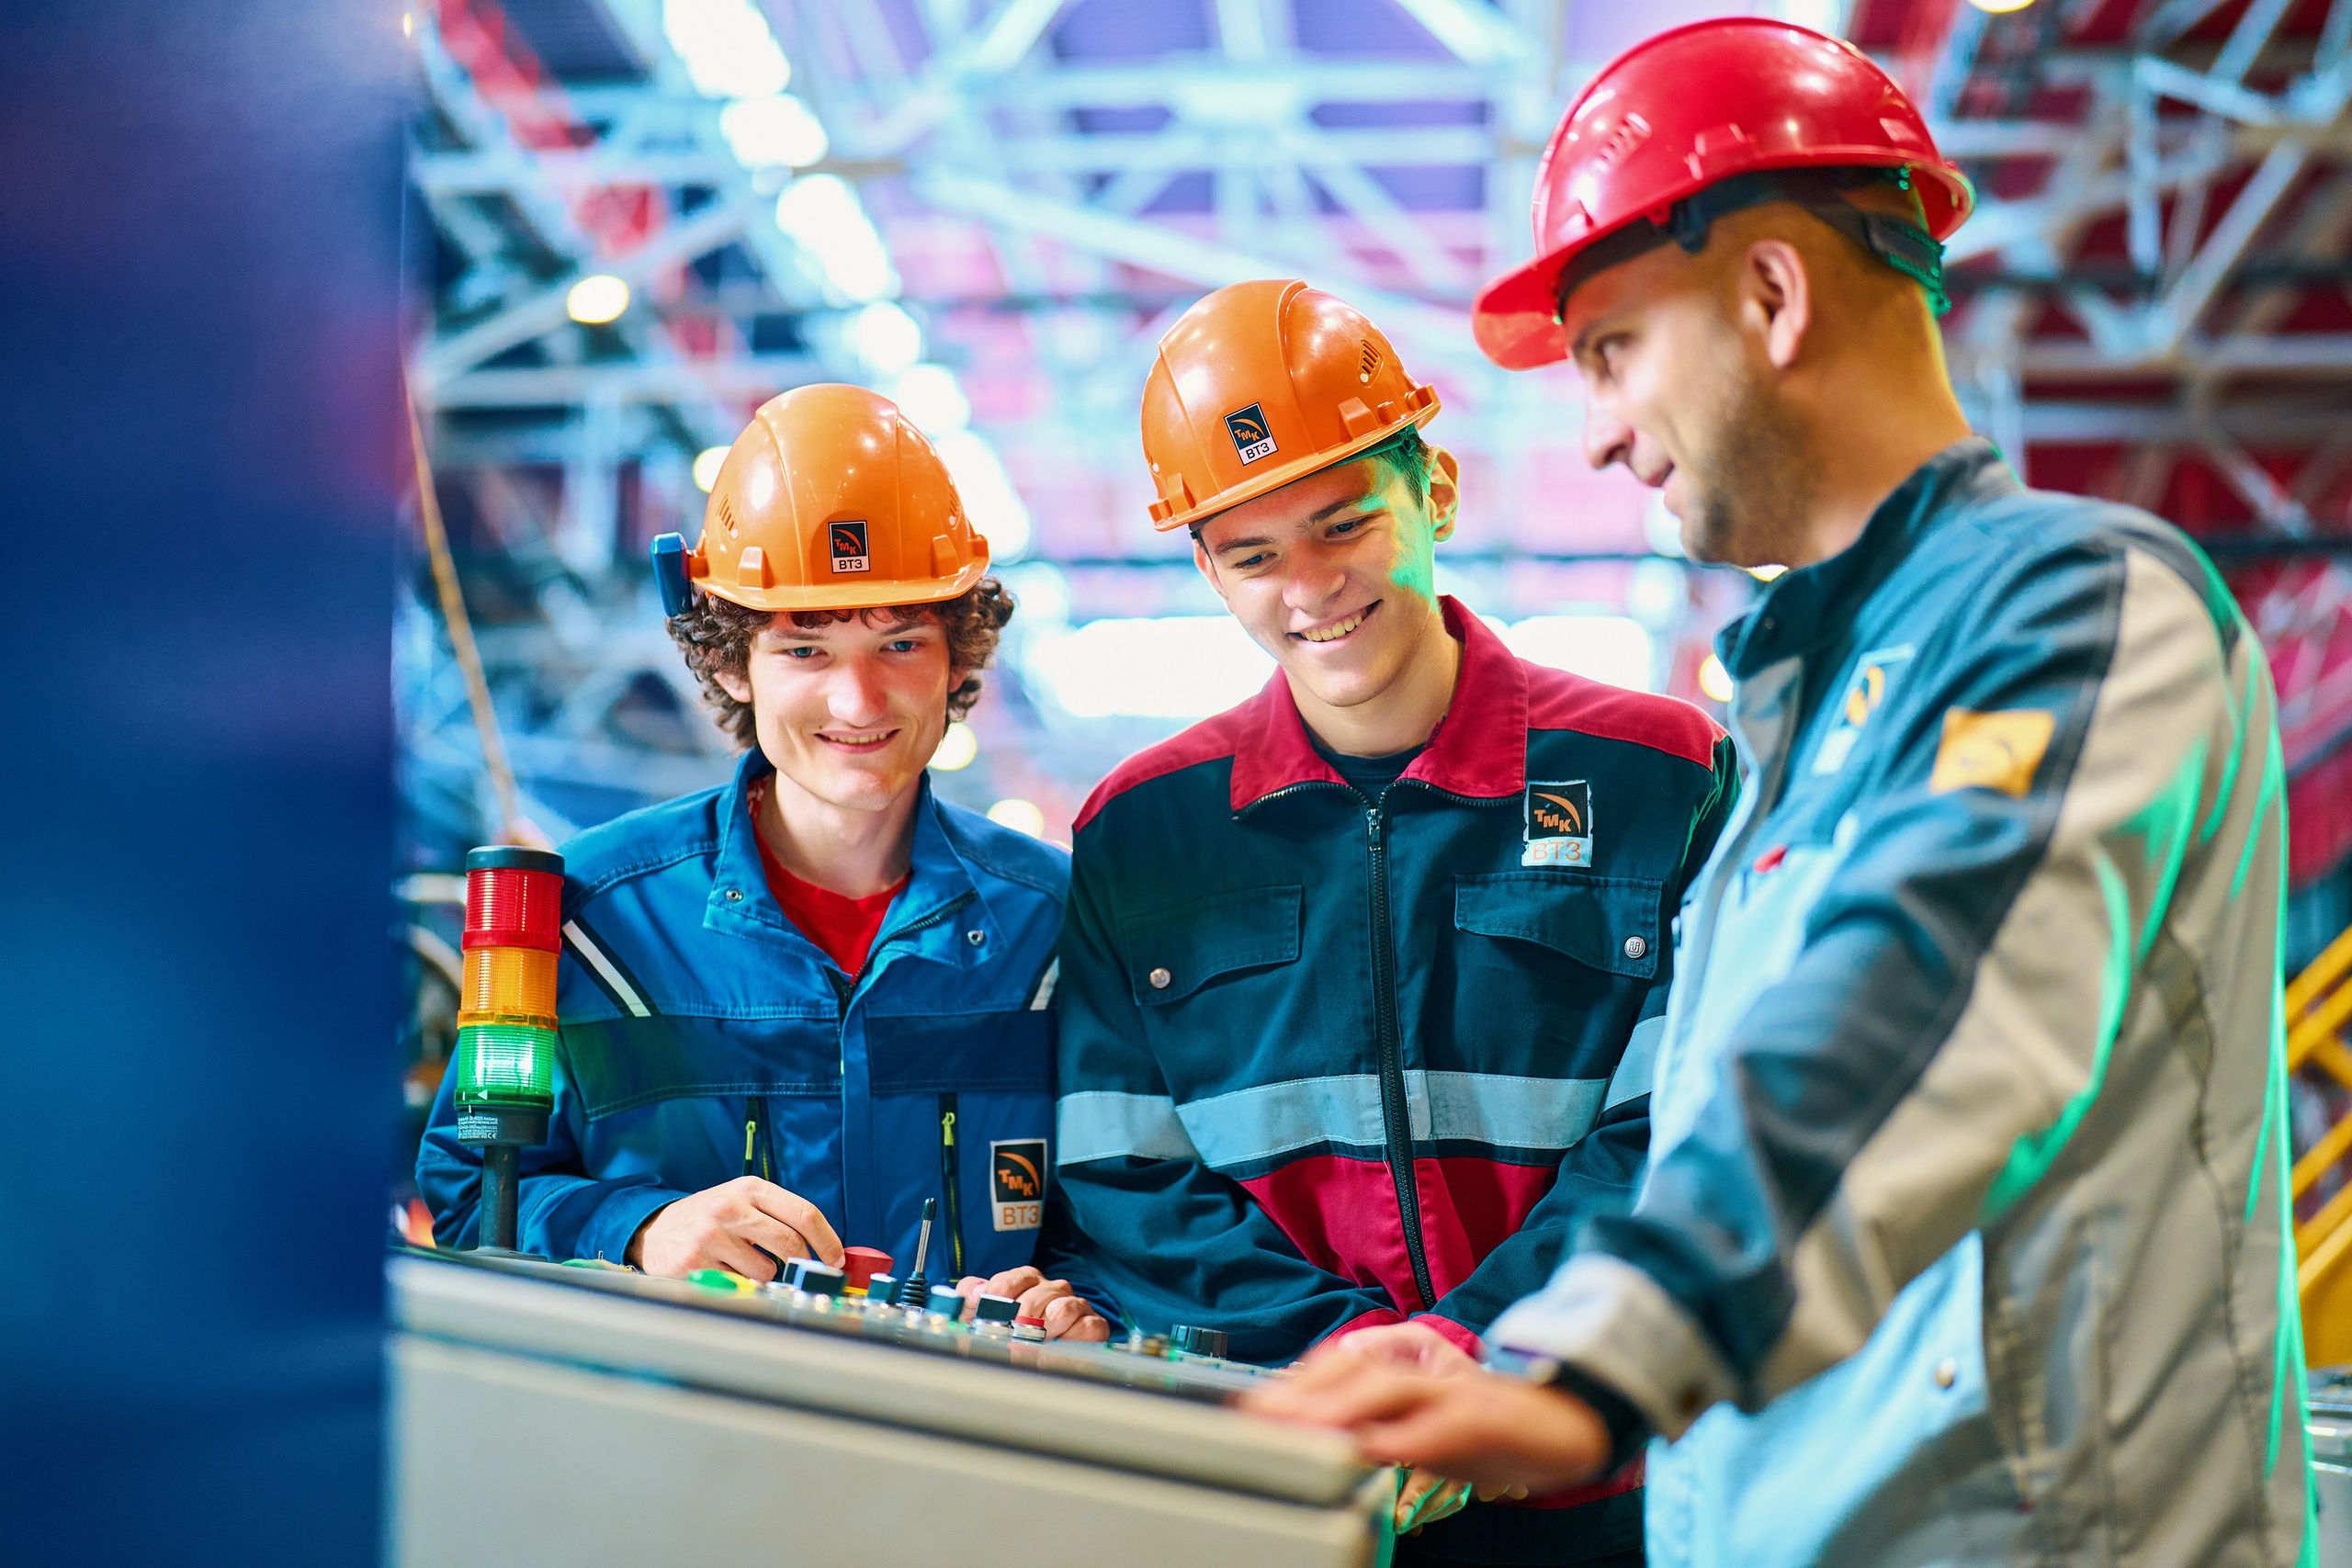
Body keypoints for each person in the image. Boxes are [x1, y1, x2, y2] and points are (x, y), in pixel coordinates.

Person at [1247, 17, 2313, 1566]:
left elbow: (1919, 1005)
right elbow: (1719, 1137)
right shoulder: (1785, 739)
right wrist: (1509, 1343)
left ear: (1770, 291)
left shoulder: (2081, 613)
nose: (1600, 430)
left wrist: (1606, 1360)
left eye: (1611, 349)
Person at [1046, 278, 1738, 1565]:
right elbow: (1123, 1177)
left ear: (1438, 493)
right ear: (1206, 569)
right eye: (1252, 554)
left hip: (1598, 1480)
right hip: (1288, 1479)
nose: (1310, 585)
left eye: (1343, 521)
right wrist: (1349, 1357)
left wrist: (1476, 1348)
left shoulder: (1663, 774)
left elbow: (1687, 1125)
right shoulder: (1144, 835)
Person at [418, 384, 1106, 1341]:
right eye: (805, 649)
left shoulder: (1057, 930)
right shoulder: (588, 921)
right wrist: (642, 1231)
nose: (858, 700)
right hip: (680, 1449)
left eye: (899, 642)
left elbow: (1136, 1210)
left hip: (974, 1449)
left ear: (958, 659)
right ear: (734, 664)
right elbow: (469, 1194)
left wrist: (1080, 1299)